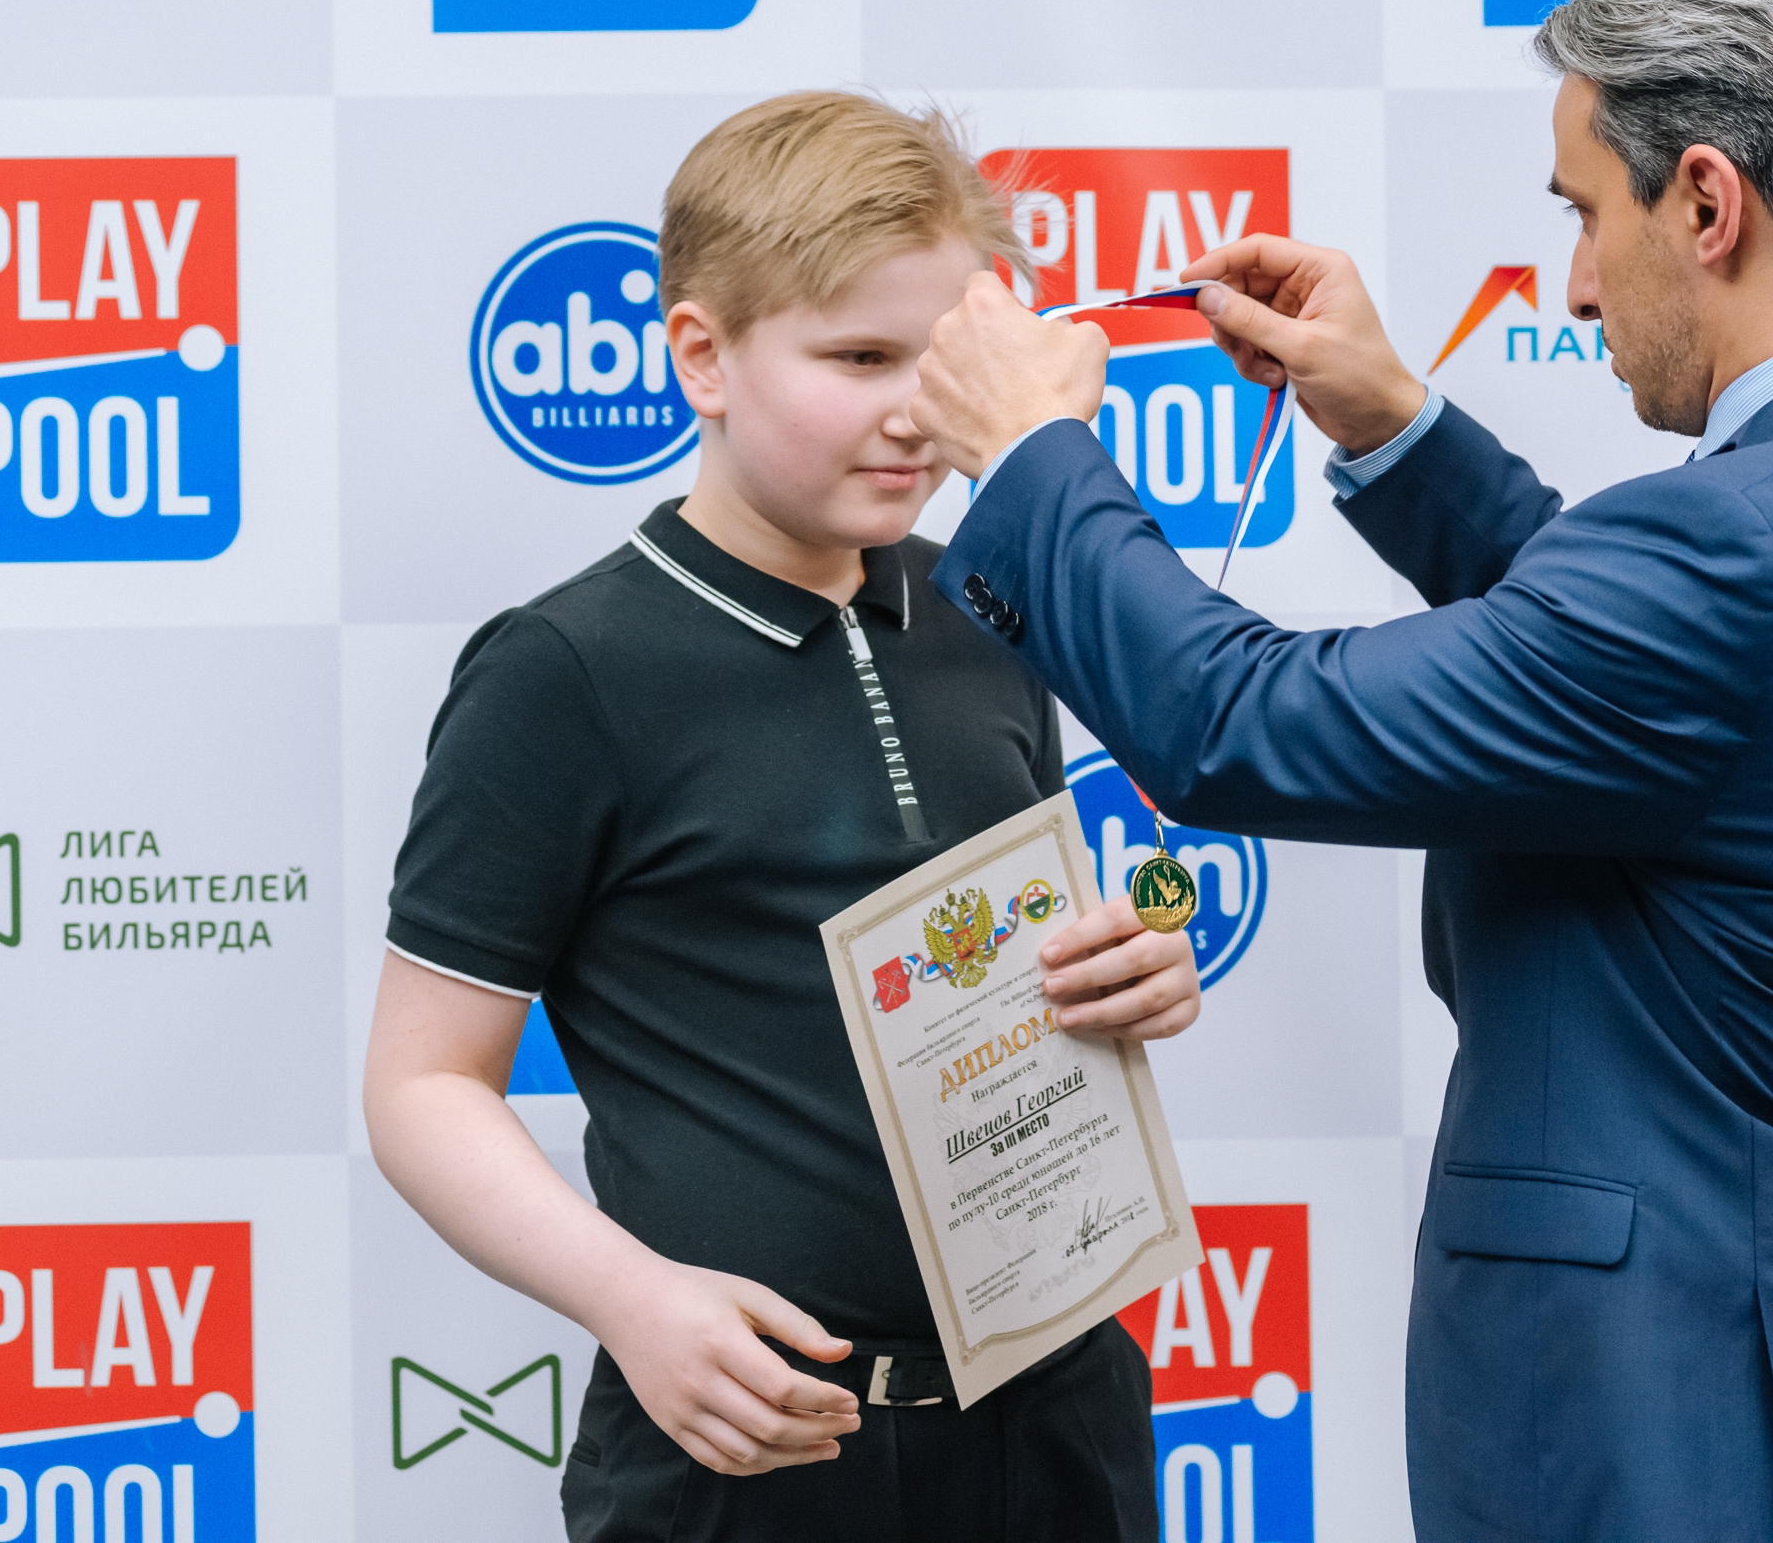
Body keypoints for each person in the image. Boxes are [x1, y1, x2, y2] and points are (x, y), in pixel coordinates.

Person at [908, 0, 1773, 1539]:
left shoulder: (1736, 555)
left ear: (1708, 202)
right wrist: (1394, 425)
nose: (1574, 285)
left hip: (1675, 1444)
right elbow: (1664, 698)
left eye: (1585, 214)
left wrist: (1033, 458)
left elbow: (1232, 721)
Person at [362, 92, 1199, 1543]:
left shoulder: (994, 602)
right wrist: (631, 1298)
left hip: (1062, 1416)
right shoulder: (566, 669)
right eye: (859, 358)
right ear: (702, 355)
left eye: (943, 358)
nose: (914, 410)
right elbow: (423, 1086)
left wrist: (1127, 978)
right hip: (756, 1447)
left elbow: (1002, 969)